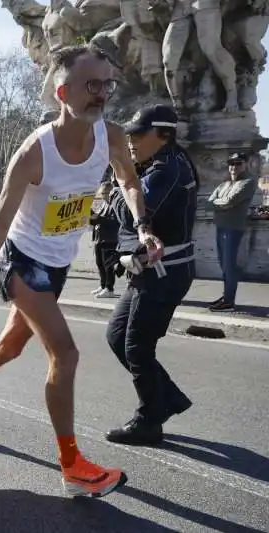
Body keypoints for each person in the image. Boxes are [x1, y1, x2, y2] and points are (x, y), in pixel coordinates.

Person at [0, 44, 164, 498]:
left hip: (57, 266)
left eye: (106, 84)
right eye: (90, 85)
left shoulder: (112, 136)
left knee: (8, 348)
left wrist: (142, 227)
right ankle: (72, 466)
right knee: (66, 353)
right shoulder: (33, 154)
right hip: (24, 264)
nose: (101, 94)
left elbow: (129, 182)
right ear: (63, 92)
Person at [103, 104, 197, 446]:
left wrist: (116, 190)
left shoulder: (165, 171)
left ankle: (149, 420)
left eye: (139, 134)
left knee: (137, 347)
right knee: (117, 337)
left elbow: (130, 217)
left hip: (165, 272)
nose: (131, 140)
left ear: (164, 135)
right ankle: (166, 399)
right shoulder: (158, 165)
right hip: (151, 270)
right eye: (129, 133)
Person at [207, 152, 259, 312]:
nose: (234, 166)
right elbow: (209, 203)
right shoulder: (224, 184)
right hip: (221, 226)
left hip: (233, 228)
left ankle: (229, 301)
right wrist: (222, 204)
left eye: (238, 163)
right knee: (223, 264)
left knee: (230, 265)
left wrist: (220, 204)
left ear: (245, 164)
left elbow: (231, 201)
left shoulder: (249, 182)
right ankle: (226, 296)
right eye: (231, 163)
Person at [90, 177, 120, 298]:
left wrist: (98, 219)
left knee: (108, 265)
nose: (102, 196)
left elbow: (114, 221)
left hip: (110, 238)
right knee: (100, 263)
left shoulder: (115, 204)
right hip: (100, 238)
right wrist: (90, 214)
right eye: (101, 193)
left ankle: (109, 288)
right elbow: (98, 217)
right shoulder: (104, 204)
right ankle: (102, 285)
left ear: (110, 192)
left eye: (104, 193)